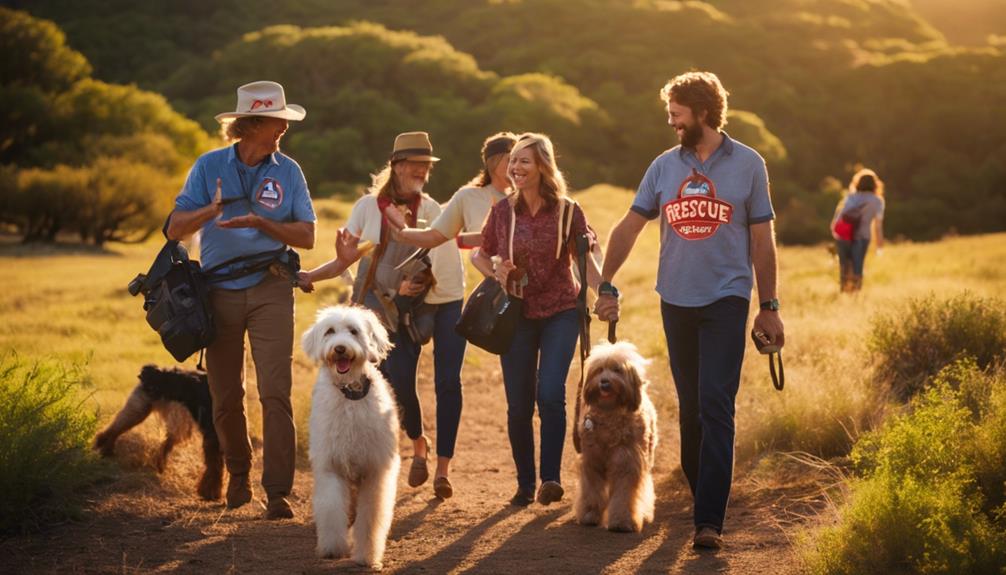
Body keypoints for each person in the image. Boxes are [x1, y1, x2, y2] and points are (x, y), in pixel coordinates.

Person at [594, 71, 785, 548]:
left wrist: (769, 306)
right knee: (693, 409)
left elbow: (762, 239)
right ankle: (705, 498)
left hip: (727, 298)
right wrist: (607, 282)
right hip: (675, 300)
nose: (671, 122)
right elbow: (629, 227)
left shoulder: (748, 164)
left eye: (677, 114)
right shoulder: (663, 167)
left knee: (717, 404)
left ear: (702, 111)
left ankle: (708, 522)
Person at [165, 81, 316, 520]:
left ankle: (277, 492)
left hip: (271, 286)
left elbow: (307, 235)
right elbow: (175, 227)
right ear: (251, 125)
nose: (283, 129)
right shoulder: (208, 165)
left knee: (276, 391)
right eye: (276, 121)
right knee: (225, 394)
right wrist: (210, 213)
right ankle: (238, 473)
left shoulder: (289, 170)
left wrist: (264, 224)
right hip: (217, 291)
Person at [299, 132, 466, 500]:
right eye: (414, 165)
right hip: (375, 306)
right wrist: (313, 274)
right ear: (397, 166)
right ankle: (418, 440)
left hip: (414, 307)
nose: (421, 171)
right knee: (395, 380)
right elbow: (347, 260)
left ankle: (423, 453)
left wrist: (416, 287)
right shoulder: (367, 207)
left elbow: (438, 258)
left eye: (426, 166)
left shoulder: (431, 209)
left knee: (404, 378)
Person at [471, 133, 603, 507]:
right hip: (516, 313)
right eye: (513, 161)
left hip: (561, 310)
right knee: (518, 403)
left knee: (550, 394)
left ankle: (550, 479)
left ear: (543, 166)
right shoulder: (502, 212)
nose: (516, 168)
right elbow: (480, 256)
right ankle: (525, 484)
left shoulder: (567, 210)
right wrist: (496, 273)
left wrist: (605, 293)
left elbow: (585, 261)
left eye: (524, 161)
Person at [384, 132, 518, 249]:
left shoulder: (527, 196)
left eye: (522, 160)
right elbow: (436, 235)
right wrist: (401, 232)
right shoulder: (469, 196)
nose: (516, 166)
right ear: (493, 162)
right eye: (510, 160)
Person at [830, 168, 885, 292]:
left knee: (844, 268)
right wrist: (880, 245)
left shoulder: (850, 197)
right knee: (857, 268)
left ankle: (844, 293)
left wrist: (836, 232)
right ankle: (855, 296)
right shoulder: (877, 201)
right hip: (862, 237)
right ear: (875, 184)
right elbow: (878, 225)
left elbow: (838, 217)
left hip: (843, 237)